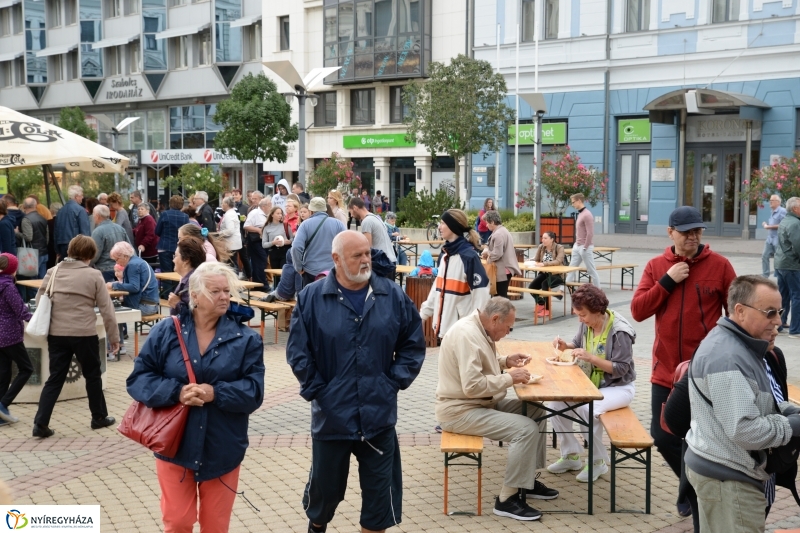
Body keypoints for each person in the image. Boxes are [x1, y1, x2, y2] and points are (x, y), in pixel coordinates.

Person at [286, 230, 426, 533]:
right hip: (332, 418)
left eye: (367, 253)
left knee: (379, 503)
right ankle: (317, 526)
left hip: (378, 418)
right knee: (324, 494)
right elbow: (298, 353)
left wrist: (392, 383)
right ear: (336, 259)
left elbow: (413, 344)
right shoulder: (311, 297)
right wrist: (319, 391)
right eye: (357, 255)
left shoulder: (391, 294)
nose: (366, 260)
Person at [127, 261, 265, 533]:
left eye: (227, 290)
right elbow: (138, 379)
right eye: (216, 291)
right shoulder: (167, 330)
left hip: (223, 446)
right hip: (175, 445)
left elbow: (254, 391)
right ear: (196, 295)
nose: (224, 296)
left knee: (215, 526)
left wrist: (216, 393)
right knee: (177, 522)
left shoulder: (246, 339)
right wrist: (176, 392)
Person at [630, 204, 736, 517]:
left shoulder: (720, 265)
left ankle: (691, 495)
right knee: (664, 436)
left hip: (705, 372)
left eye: (697, 230)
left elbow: (737, 313)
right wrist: (667, 280)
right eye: (686, 231)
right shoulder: (655, 266)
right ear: (670, 233)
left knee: (701, 438)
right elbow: (638, 310)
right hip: (665, 372)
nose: (693, 236)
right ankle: (692, 487)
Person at [685, 275, 800, 533]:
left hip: (723, 473)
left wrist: (788, 411)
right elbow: (745, 430)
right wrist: (791, 425)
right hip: (729, 479)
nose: (779, 321)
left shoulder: (740, 346)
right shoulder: (728, 357)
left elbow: (754, 404)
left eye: (779, 312)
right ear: (740, 311)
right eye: (770, 312)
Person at [436, 297, 558, 521]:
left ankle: (526, 481)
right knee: (526, 429)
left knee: (536, 410)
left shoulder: (478, 328)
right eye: (508, 326)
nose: (509, 332)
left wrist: (505, 360)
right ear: (494, 319)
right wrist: (509, 378)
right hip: (460, 410)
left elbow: (480, 361)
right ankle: (506, 500)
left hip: (479, 403)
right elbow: (472, 386)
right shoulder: (467, 335)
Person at [32, 235, 119, 438]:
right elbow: (107, 309)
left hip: (57, 334)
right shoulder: (94, 275)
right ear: (90, 254)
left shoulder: (53, 272)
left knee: (55, 378)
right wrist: (114, 337)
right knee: (92, 375)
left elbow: (39, 300)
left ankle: (40, 423)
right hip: (84, 333)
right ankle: (98, 417)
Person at [548, 284, 636, 482]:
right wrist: (565, 346)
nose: (580, 319)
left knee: (588, 409)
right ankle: (571, 455)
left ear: (598, 311)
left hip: (618, 387)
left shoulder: (620, 331)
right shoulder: (588, 323)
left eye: (583, 315)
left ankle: (598, 462)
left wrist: (592, 358)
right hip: (591, 385)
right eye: (578, 314)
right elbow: (577, 344)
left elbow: (622, 368)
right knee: (554, 405)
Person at [420, 209, 490, 342]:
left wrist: (473, 328)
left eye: (443, 223)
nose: (439, 227)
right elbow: (437, 289)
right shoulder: (445, 255)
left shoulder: (469, 257)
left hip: (462, 334)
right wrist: (422, 316)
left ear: (453, 226)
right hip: (444, 330)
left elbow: (481, 296)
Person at [107, 242, 160, 360]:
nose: (116, 263)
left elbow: (134, 287)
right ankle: (119, 345)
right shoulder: (139, 261)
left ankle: (110, 349)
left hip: (145, 306)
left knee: (110, 313)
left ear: (124, 256)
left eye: (117, 259)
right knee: (115, 310)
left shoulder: (132, 265)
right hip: (151, 304)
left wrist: (114, 285)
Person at [0, 253, 33, 425]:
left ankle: (0, 415)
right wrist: (38, 320)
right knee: (26, 369)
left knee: (4, 374)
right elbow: (21, 311)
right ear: (12, 270)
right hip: (10, 335)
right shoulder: (8, 287)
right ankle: (3, 404)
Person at [291, 197, 346, 287]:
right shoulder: (338, 224)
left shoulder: (305, 224)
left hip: (310, 271)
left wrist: (299, 267)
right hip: (333, 271)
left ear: (311, 210)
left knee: (310, 299)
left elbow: (296, 247)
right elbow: (346, 245)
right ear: (324, 209)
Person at [349, 197, 397, 272]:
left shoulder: (367, 221)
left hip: (381, 263)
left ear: (355, 208)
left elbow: (367, 247)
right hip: (390, 260)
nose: (351, 215)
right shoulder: (376, 218)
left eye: (350, 212)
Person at [155, 196, 190, 297]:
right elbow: (187, 233)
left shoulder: (164, 214)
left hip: (165, 246)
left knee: (166, 273)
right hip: (179, 248)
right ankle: (176, 294)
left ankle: (166, 296)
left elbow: (157, 231)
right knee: (177, 272)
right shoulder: (185, 217)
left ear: (170, 203)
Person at [775, 196, 800, 336]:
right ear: (795, 208)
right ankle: (796, 329)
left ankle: (780, 324)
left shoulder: (785, 220)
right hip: (792, 265)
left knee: (783, 296)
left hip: (781, 263)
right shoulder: (795, 223)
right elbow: (798, 245)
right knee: (797, 296)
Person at [481, 211, 521, 298]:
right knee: (500, 296)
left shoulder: (498, 234)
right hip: (505, 269)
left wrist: (487, 252)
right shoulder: (502, 230)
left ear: (492, 222)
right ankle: (503, 311)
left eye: (487, 223)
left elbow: (497, 254)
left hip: (502, 270)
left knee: (499, 297)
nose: (486, 225)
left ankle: (504, 312)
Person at [527, 231, 567, 318]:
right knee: (532, 287)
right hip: (544, 273)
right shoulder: (541, 247)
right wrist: (530, 261)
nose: (543, 240)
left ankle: (547, 310)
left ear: (552, 239)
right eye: (542, 238)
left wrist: (544, 264)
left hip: (557, 275)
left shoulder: (559, 247)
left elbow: (558, 261)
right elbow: (537, 259)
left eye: (545, 238)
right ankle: (541, 304)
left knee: (545, 284)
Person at [564, 193, 600, 288]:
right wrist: (577, 245)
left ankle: (599, 291)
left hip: (585, 247)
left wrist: (585, 247)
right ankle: (561, 290)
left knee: (591, 270)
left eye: (573, 202)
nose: (572, 204)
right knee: (571, 269)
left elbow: (590, 233)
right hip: (577, 246)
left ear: (579, 200)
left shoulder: (587, 215)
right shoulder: (581, 214)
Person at [91, 205, 130, 282]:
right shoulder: (120, 228)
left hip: (104, 269)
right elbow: (129, 249)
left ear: (97, 216)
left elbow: (95, 254)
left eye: (93, 214)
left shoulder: (97, 232)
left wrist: (86, 264)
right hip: (121, 268)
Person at [168, 236, 206, 315]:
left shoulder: (193, 283)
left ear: (186, 260)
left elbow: (199, 316)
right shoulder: (192, 278)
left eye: (175, 256)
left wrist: (177, 304)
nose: (173, 260)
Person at [54, 185, 91, 260]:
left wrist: (57, 249)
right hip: (76, 246)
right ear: (76, 196)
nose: (82, 198)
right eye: (81, 195)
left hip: (62, 245)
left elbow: (56, 231)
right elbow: (85, 231)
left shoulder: (61, 211)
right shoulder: (80, 210)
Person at [18, 197, 50, 280]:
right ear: (36, 205)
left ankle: (35, 294)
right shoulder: (42, 218)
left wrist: (16, 233)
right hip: (44, 252)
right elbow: (47, 237)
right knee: (42, 280)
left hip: (32, 255)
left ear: (24, 207)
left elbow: (28, 237)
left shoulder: (26, 219)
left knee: (33, 281)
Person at [262, 207, 293, 286]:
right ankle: (276, 289)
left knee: (284, 272)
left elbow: (292, 239)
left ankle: (284, 290)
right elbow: (264, 244)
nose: (280, 215)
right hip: (273, 252)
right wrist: (273, 242)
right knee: (275, 274)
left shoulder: (285, 225)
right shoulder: (267, 227)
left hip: (284, 251)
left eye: (281, 213)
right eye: (278, 213)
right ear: (272, 214)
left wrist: (288, 242)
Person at [217, 197, 243, 275]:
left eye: (223, 203)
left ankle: (234, 281)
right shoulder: (230, 213)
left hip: (231, 243)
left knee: (231, 263)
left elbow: (230, 230)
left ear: (227, 204)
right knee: (232, 262)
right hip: (232, 243)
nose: (221, 205)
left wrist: (218, 234)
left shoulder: (229, 214)